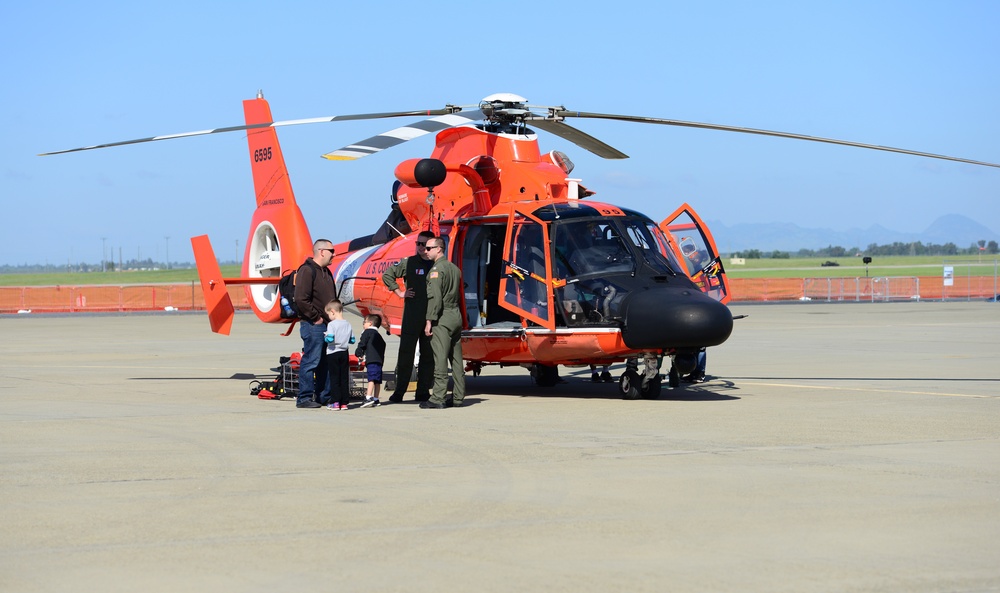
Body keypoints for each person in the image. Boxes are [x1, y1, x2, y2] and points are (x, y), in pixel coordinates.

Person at [381, 230, 436, 403]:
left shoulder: (438, 264)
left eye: (424, 245)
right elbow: (387, 275)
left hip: (432, 316)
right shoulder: (409, 263)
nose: (420, 247)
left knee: (428, 356)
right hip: (413, 315)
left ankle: (423, 391)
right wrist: (400, 292)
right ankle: (400, 391)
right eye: (418, 244)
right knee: (406, 354)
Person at [420, 236, 466, 409]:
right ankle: (458, 397)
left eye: (429, 248)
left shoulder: (436, 271)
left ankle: (438, 397)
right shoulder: (454, 269)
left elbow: (435, 298)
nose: (426, 251)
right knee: (456, 359)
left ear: (439, 249)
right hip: (455, 315)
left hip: (442, 316)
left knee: (440, 358)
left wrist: (429, 320)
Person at [294, 239, 337, 409]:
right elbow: (300, 298)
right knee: (311, 360)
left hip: (327, 325)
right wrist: (315, 317)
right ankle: (304, 398)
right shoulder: (307, 270)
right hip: (313, 325)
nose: (334, 254)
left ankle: (323, 396)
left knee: (325, 363)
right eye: (331, 251)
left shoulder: (326, 272)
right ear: (321, 251)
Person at [324, 299, 355, 410]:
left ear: (333, 311)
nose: (329, 317)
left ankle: (335, 402)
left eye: (328, 314)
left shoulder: (332, 325)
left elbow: (330, 338)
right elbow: (352, 340)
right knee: (344, 377)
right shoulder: (348, 324)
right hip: (344, 352)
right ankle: (344, 403)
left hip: (333, 352)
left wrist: (325, 335)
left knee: (334, 378)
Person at [355, 313, 386, 408]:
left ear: (370, 323)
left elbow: (362, 343)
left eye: (364, 322)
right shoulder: (379, 336)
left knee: (371, 379)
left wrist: (359, 352)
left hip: (371, 359)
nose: (363, 324)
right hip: (379, 360)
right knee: (377, 380)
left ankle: (368, 397)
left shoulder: (367, 332)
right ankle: (376, 399)